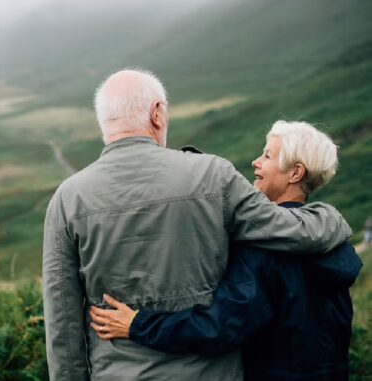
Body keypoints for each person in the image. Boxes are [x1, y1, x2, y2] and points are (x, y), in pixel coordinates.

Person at [42, 69, 352, 381]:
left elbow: (62, 321)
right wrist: (331, 218)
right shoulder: (214, 176)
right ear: (157, 113)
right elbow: (290, 230)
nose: (258, 162)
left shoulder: (67, 199)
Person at [89, 121, 362, 380]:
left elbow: (220, 328)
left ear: (295, 173)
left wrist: (137, 325)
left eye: (267, 156)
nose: (256, 162)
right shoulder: (333, 244)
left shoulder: (264, 250)